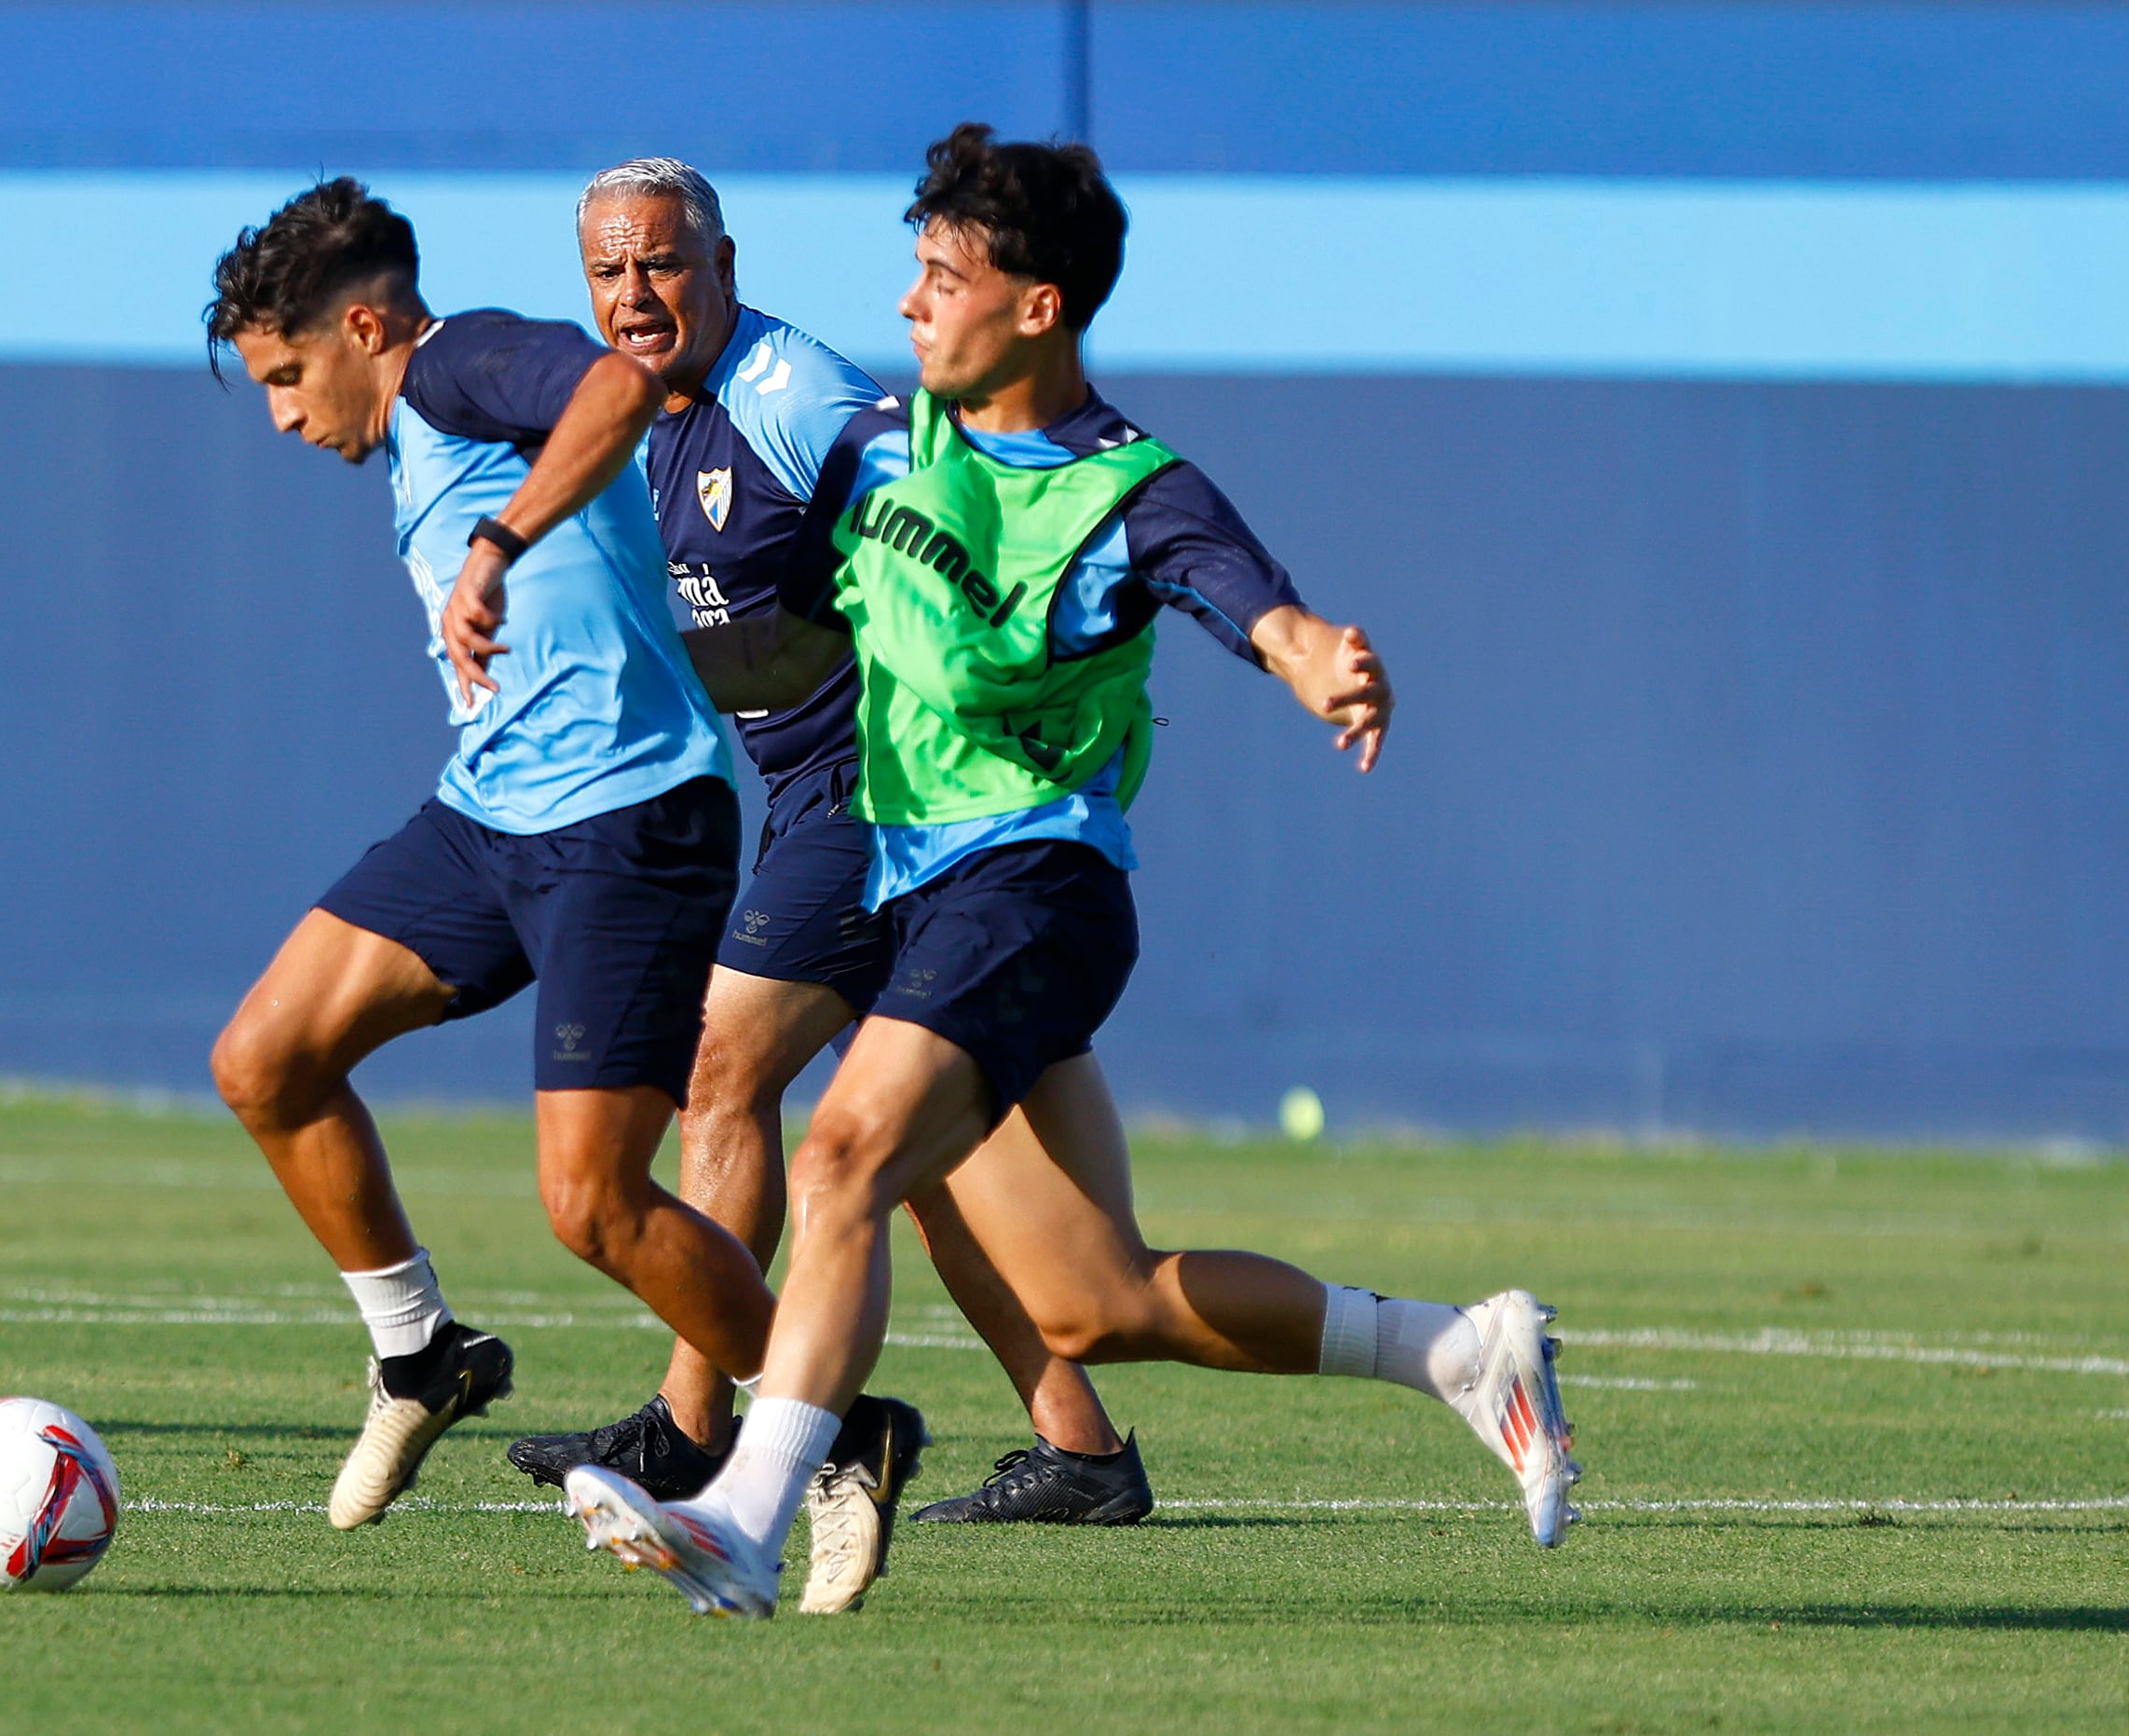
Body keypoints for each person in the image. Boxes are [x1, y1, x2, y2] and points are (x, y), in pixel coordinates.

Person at [471, 126, 1578, 1618]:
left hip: (1033, 883)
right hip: (931, 890)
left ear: (1036, 307)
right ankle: (1459, 1350)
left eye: (943, 277)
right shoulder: (913, 442)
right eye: (916, 271)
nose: (912, 303)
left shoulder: (1118, 484)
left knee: (843, 1150)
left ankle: (740, 1507)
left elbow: (1235, 589)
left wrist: (1313, 653)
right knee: (1092, 1296)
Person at [198, 177, 918, 1542]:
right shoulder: (417, 429)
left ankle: (832, 1438)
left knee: (592, 1202)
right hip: (493, 817)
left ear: (364, 326)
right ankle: (421, 1354)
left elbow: (609, 389)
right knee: (265, 1060)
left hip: (630, 822)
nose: (288, 417)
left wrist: (498, 541)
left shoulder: (455, 362)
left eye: (290, 378)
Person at [502, 157, 1153, 1531]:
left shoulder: (790, 398)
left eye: (663, 263)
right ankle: (1082, 1451)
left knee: (716, 1069)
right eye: (610, 271)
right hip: (814, 802)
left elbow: (934, 487)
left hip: (882, 797)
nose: (637, 293)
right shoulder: (635, 417)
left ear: (724, 266)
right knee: (915, 1172)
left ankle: (693, 1427)